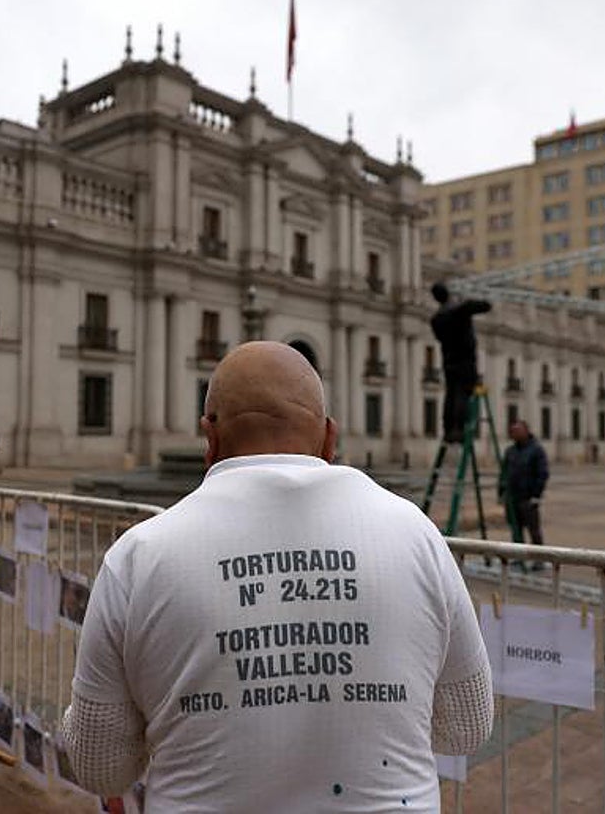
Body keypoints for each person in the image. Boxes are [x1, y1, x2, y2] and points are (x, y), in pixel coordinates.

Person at [61, 341, 492, 811]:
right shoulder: (416, 535)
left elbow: (100, 767)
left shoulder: (138, 557)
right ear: (329, 439)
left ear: (210, 438)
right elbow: (465, 727)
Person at [430, 282, 492, 443]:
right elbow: (484, 306)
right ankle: (459, 429)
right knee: (463, 394)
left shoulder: (436, 319)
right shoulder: (458, 310)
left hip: (449, 361)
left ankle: (448, 429)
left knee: (450, 395)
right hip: (465, 360)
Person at [500, 420, 549, 567]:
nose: (514, 434)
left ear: (526, 431)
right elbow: (504, 473)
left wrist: (536, 495)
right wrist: (501, 493)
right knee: (516, 530)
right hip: (513, 497)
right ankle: (518, 557)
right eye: (512, 431)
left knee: (533, 530)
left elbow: (543, 473)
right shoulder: (510, 451)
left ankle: (538, 559)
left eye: (517, 431)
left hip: (528, 497)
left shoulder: (536, 450)